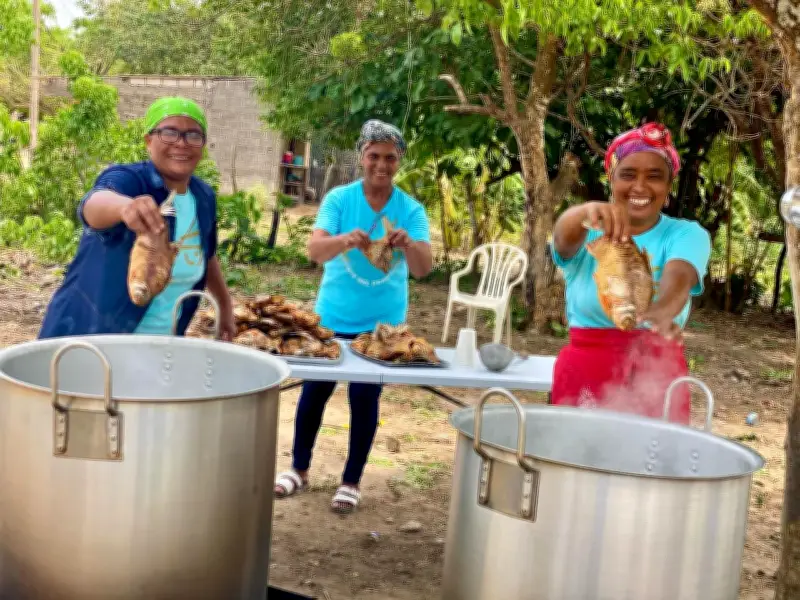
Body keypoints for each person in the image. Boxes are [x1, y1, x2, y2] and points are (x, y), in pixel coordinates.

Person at [274, 119, 432, 514]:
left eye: (390, 158)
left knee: (365, 398)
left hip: (383, 330)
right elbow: (315, 251)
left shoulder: (410, 209)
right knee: (314, 393)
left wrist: (409, 245)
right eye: (374, 155)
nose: (381, 164)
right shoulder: (340, 200)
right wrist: (346, 239)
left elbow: (424, 268)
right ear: (362, 156)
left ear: (399, 161)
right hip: (332, 318)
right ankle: (298, 468)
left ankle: (351, 481)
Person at [550, 122, 711, 424]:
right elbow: (561, 238)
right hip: (584, 374)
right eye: (628, 174)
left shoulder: (686, 234)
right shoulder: (587, 232)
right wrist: (582, 212)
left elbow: (680, 275)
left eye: (655, 176)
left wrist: (662, 311)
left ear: (669, 186)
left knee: (656, 453)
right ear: (611, 178)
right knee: (578, 452)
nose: (640, 186)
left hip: (657, 375)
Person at [38, 97, 235, 340]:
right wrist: (125, 207)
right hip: (91, 339)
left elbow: (207, 253)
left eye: (193, 135)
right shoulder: (131, 180)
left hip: (162, 345)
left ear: (203, 146)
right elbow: (94, 204)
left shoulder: (203, 197)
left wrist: (225, 305)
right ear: (148, 140)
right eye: (169, 133)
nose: (181, 143)